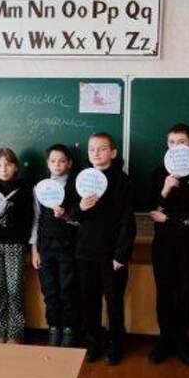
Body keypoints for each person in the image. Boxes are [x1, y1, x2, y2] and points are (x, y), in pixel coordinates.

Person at [67, 132, 136, 365]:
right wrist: (81, 207)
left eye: (102, 148)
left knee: (114, 302)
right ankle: (93, 343)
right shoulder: (80, 179)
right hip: (86, 252)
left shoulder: (123, 181)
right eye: (91, 149)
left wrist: (121, 255)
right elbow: (70, 215)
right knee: (89, 301)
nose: (96, 153)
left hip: (112, 255)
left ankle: (116, 344)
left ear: (113, 152)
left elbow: (128, 222)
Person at [148, 124, 189, 365]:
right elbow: (153, 211)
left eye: (181, 142)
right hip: (162, 246)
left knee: (184, 295)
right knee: (164, 294)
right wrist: (165, 189)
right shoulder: (159, 172)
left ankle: (182, 342)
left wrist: (170, 220)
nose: (176, 147)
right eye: (172, 142)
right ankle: (164, 340)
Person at [0, 147, 33, 344]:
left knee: (15, 289)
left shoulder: (24, 189)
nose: (3, 169)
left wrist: (26, 245)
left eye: (8, 164)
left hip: (15, 246)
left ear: (15, 167)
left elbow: (29, 220)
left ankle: (15, 334)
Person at [30, 144, 79, 347]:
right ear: (47, 163)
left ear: (69, 163)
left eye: (62, 161)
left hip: (68, 245)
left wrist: (66, 215)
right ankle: (53, 327)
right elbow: (35, 220)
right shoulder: (40, 188)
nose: (57, 165)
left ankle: (69, 328)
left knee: (67, 289)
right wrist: (34, 250)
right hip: (45, 246)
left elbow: (81, 220)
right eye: (53, 161)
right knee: (49, 290)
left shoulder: (76, 187)